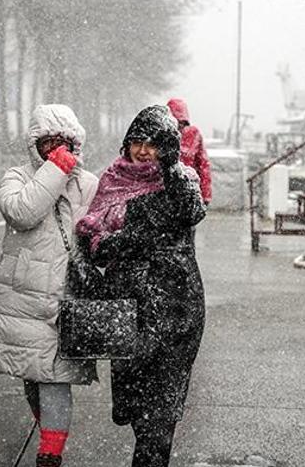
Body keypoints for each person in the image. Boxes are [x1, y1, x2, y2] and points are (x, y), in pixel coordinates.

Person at [76, 105, 207, 467]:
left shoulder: (181, 181)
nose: (144, 150)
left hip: (176, 308)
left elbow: (190, 210)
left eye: (154, 143)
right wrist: (111, 244)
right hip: (128, 311)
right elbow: (92, 240)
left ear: (168, 145)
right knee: (135, 408)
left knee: (160, 414)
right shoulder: (112, 179)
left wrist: (123, 238)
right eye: (137, 142)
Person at [0, 104, 99, 467]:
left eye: (63, 143)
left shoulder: (89, 184)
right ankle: (48, 433)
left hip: (68, 298)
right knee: (32, 377)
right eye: (47, 143)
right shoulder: (17, 177)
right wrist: (56, 170)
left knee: (55, 379)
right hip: (25, 297)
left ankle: (50, 453)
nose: (55, 150)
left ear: (75, 143)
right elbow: (23, 212)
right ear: (34, 145)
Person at [167, 98, 212, 206]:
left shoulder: (194, 134)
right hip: (165, 192)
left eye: (182, 122)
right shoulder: (160, 135)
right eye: (176, 122)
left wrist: (206, 194)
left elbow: (203, 165)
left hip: (188, 192)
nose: (179, 126)